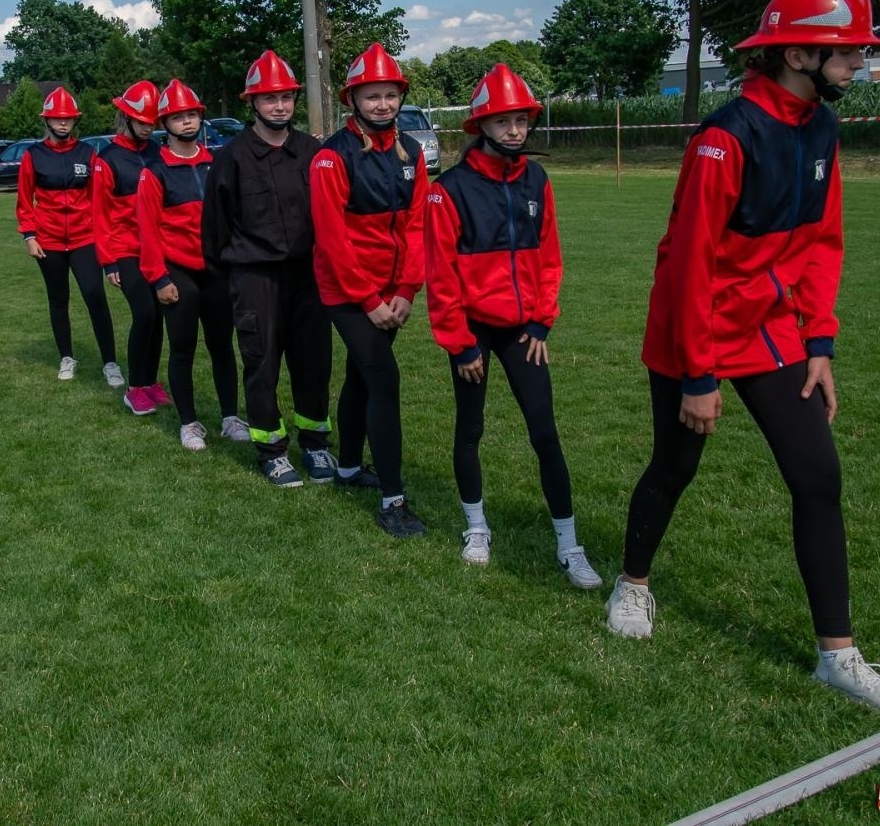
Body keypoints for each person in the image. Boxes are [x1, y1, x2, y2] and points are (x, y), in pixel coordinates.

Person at [605, 0, 880, 718]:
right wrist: (698, 375)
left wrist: (820, 341)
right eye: (847, 53)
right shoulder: (724, 138)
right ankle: (633, 584)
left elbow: (821, 242)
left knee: (818, 475)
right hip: (696, 329)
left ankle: (837, 656)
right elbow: (689, 266)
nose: (859, 65)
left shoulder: (824, 128)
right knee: (675, 464)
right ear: (798, 55)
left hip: (776, 332)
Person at [424, 64, 601, 587]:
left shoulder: (537, 179)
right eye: (503, 122)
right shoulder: (448, 189)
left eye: (521, 121)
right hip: (472, 333)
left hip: (524, 330)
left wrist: (543, 322)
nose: (515, 131)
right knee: (470, 429)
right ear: (480, 127)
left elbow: (550, 256)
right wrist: (459, 346)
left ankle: (570, 544)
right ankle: (476, 527)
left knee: (545, 433)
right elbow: (441, 275)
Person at [309, 43, 429, 536]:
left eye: (389, 95)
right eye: (371, 96)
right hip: (348, 294)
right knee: (383, 379)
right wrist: (371, 301)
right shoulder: (331, 157)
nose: (382, 104)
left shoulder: (414, 152)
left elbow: (419, 227)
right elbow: (332, 241)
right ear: (352, 100)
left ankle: (349, 467)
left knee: (361, 377)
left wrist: (406, 291)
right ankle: (392, 500)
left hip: (390, 294)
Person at [202, 51, 334, 488]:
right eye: (269, 98)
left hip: (307, 277)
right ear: (252, 104)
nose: (279, 106)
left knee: (314, 362)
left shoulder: (312, 152)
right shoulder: (232, 158)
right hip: (254, 277)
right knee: (261, 363)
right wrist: (231, 283)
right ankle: (272, 451)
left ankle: (315, 444)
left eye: (286, 98)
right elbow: (215, 229)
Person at [137, 79, 248, 452]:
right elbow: (147, 231)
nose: (187, 122)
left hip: (216, 271)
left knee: (222, 346)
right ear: (164, 123)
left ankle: (231, 418)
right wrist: (158, 278)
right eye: (178, 117)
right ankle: (188, 423)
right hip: (177, 274)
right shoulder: (154, 171)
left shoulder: (215, 162)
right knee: (182, 348)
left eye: (192, 115)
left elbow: (233, 217)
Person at [16, 86, 122, 387]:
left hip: (84, 237)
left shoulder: (87, 153)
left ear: (75, 121)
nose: (63, 124)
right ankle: (66, 357)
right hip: (48, 241)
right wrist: (29, 236)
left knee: (94, 295)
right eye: (57, 119)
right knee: (58, 298)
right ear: (47, 121)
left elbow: (99, 200)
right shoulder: (33, 155)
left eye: (68, 119)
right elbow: (24, 201)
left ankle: (110, 362)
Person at [93, 80, 171, 415]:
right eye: (143, 122)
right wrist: (108, 262)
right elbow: (100, 213)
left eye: (153, 122)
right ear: (126, 118)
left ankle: (151, 382)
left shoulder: (157, 152)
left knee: (158, 320)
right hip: (125, 250)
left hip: (157, 249)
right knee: (144, 314)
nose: (149, 127)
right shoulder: (107, 159)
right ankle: (135, 387)